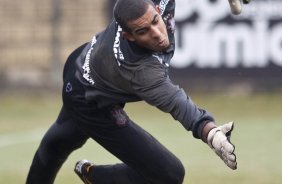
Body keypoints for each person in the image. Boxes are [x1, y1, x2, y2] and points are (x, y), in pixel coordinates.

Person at [26, 0, 237, 183]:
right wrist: (211, 133)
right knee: (169, 174)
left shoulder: (157, 7)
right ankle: (94, 176)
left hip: (83, 64)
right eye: (142, 31)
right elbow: (177, 103)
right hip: (87, 100)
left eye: (155, 21)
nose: (157, 34)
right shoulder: (139, 70)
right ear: (129, 36)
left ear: (156, 9)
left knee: (55, 144)